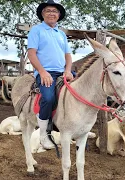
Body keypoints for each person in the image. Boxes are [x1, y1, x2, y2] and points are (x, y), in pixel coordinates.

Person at [27, 0, 74, 149]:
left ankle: (75, 128)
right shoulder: (36, 30)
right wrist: (41, 71)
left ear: (59, 15)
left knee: (80, 93)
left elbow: (68, 55)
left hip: (62, 72)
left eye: (54, 11)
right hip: (46, 72)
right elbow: (31, 53)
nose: (52, 13)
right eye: (48, 11)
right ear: (43, 14)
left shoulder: (61, 34)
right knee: (48, 98)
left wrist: (68, 70)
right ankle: (43, 134)